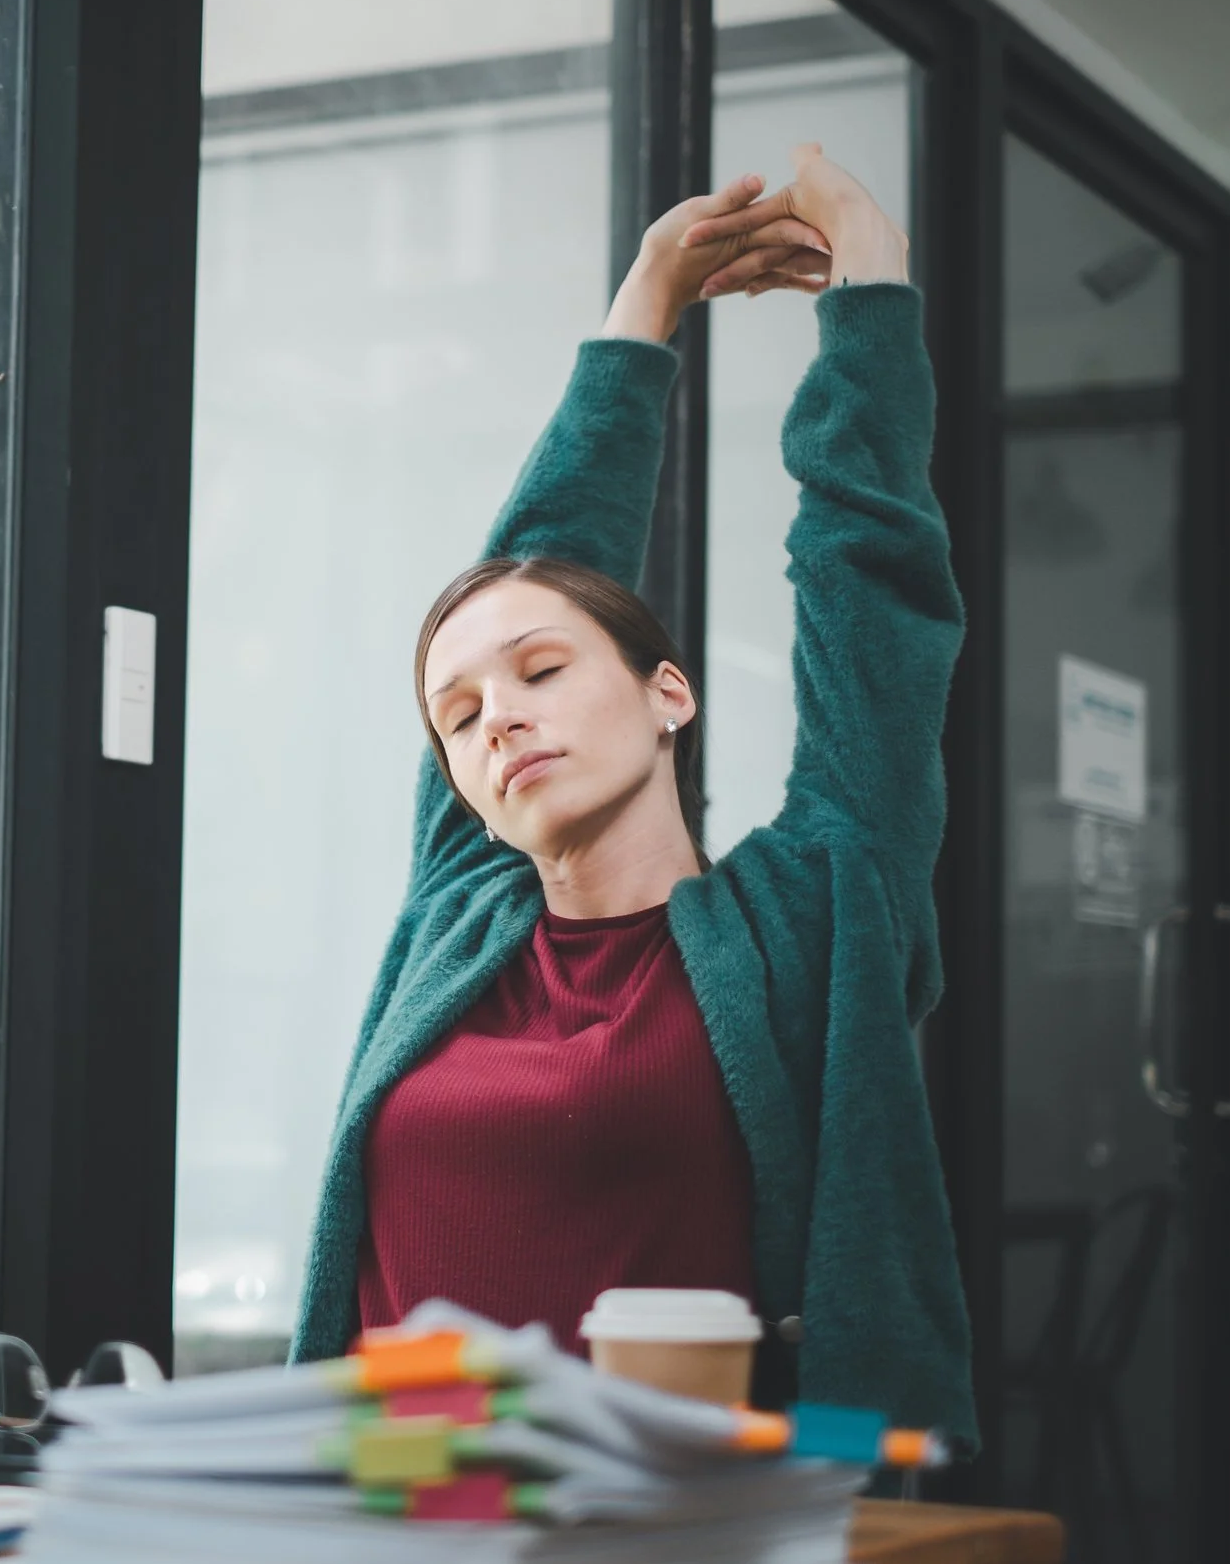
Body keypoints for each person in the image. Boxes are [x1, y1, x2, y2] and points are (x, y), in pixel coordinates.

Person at [290, 145, 976, 1448]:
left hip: (681, 1522)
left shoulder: (814, 908)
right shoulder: (460, 912)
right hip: (402, 1506)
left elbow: (868, 588)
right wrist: (642, 301)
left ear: (670, 693)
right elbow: (534, 569)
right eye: (461, 714)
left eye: (541, 671)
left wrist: (862, 289)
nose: (501, 717)